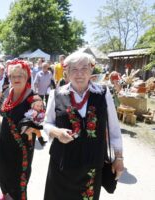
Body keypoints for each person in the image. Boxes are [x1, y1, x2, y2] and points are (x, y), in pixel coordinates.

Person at [43, 52, 124, 200]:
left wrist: (119, 158)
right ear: (66, 71)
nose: (79, 73)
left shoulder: (103, 93)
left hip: (91, 168)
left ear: (91, 70)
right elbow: (47, 124)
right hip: (62, 165)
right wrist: (56, 132)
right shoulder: (56, 94)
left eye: (84, 68)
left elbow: (114, 130)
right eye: (74, 69)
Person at [0, 60, 38, 200]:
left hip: (21, 146)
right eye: (13, 76)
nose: (16, 79)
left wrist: (32, 125)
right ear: (9, 77)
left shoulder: (33, 97)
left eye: (20, 76)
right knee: (2, 168)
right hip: (4, 140)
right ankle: (7, 193)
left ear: (27, 76)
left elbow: (39, 119)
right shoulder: (7, 92)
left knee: (19, 177)